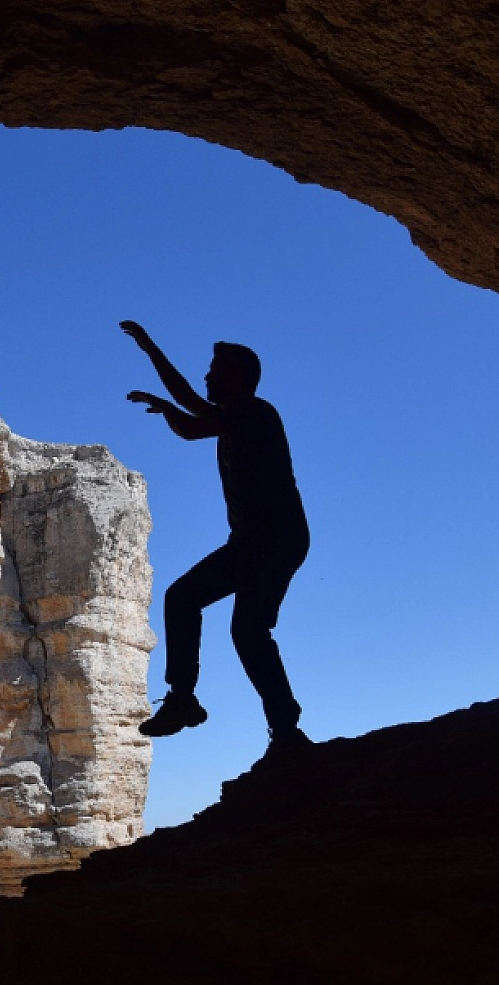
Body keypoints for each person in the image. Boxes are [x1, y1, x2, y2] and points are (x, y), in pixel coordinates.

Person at [121, 319, 312, 752]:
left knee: (248, 631)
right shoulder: (234, 421)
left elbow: (193, 406)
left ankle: (284, 727)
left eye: (214, 371)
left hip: (276, 541)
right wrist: (166, 409)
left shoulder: (256, 412)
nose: (207, 377)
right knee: (186, 599)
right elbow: (190, 426)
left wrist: (151, 349)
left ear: (239, 379)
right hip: (250, 544)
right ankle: (185, 699)